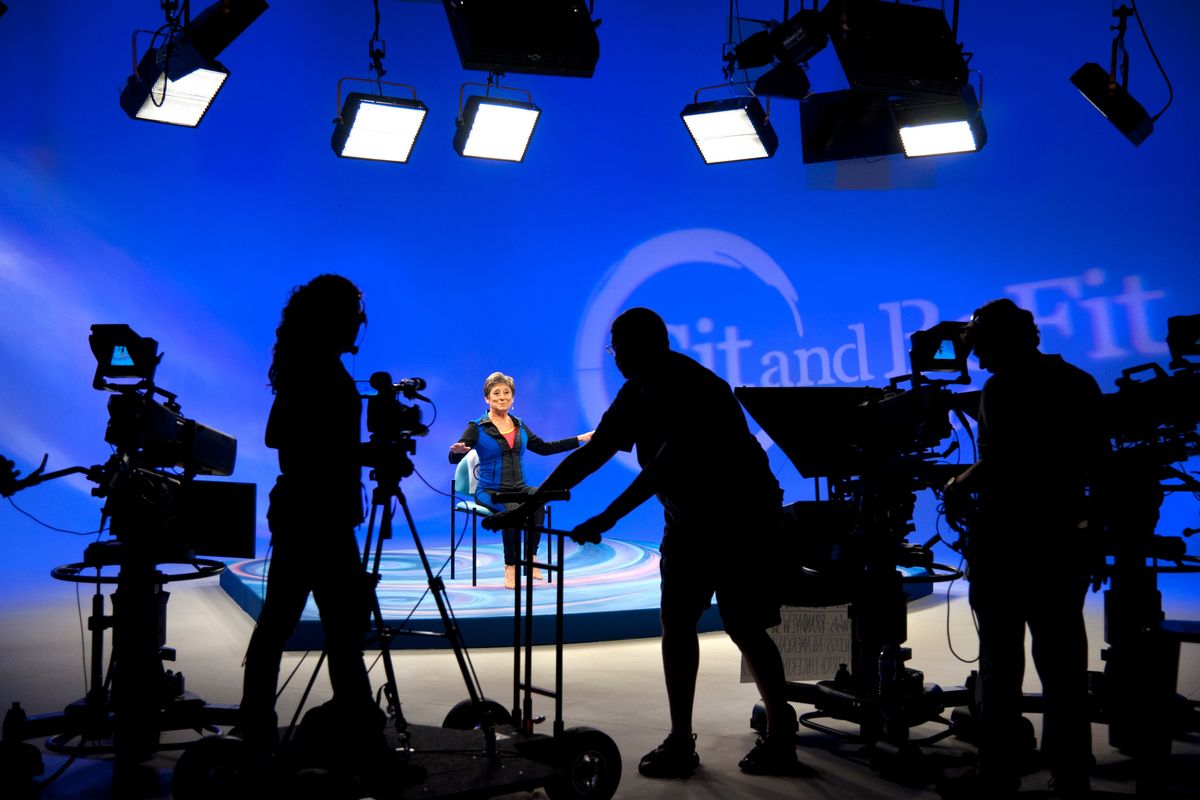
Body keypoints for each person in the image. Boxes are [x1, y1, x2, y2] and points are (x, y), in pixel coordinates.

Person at [485, 307, 805, 778]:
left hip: (741, 521)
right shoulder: (636, 392)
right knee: (677, 625)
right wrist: (528, 508)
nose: (616, 357)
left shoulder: (698, 388)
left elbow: (662, 469)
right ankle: (681, 739)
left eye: (622, 346)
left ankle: (780, 736)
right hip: (689, 523)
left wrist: (605, 518)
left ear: (651, 344)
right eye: (614, 347)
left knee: (744, 626)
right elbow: (593, 453)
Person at [943, 298, 1105, 799]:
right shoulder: (1079, 382)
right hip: (1061, 541)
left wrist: (955, 485)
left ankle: (997, 774)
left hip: (1007, 545)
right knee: (1063, 666)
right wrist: (1094, 536)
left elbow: (999, 462)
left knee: (1000, 664)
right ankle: (1071, 775)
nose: (978, 361)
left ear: (998, 343)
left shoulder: (1001, 388)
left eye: (981, 349)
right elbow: (1099, 464)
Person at [239, 274, 400, 776]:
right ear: (334, 318)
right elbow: (284, 438)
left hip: (313, 513)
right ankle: (356, 733)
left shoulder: (312, 365)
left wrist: (356, 452)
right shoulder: (315, 369)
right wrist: (366, 451)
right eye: (354, 313)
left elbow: (286, 437)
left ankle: (262, 729)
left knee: (301, 628)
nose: (360, 322)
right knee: (337, 630)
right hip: (316, 517)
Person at [449, 372, 592, 589]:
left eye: (507, 393)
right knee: (512, 511)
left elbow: (544, 448)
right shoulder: (476, 427)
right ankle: (511, 567)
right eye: (496, 393)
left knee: (538, 501)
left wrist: (580, 439)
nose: (502, 397)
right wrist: (458, 452)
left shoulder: (519, 425)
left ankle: (531, 559)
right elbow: (455, 456)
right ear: (487, 398)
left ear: (513, 398)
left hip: (519, 486)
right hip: (490, 490)